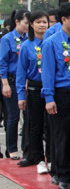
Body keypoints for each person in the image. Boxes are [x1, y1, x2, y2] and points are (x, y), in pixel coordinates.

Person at [41, 3, 70, 189]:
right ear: (64, 19)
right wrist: (49, 97)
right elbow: (47, 72)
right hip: (62, 94)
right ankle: (62, 173)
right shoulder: (51, 42)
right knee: (63, 135)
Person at [16, 11, 49, 174]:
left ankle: (52, 158)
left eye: (44, 22)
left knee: (52, 126)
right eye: (38, 22)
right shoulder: (26, 46)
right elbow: (21, 73)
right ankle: (39, 159)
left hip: (51, 89)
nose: (42, 25)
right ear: (31, 25)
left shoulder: (52, 43)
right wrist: (21, 96)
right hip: (35, 89)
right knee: (35, 126)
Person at [0, 9, 30, 160]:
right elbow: (3, 63)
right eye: (26, 23)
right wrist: (5, 84)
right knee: (13, 116)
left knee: (28, 116)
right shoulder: (7, 39)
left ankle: (26, 147)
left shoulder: (29, 40)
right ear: (17, 22)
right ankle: (11, 149)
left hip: (27, 82)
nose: (28, 26)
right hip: (12, 81)